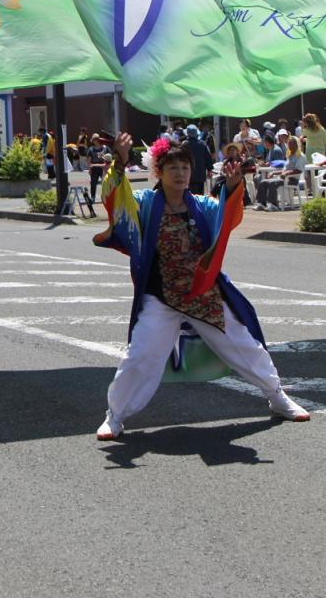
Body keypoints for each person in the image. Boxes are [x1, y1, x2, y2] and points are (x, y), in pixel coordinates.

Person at [93, 132, 309, 441]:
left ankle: (277, 396)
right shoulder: (145, 204)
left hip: (203, 293)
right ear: (159, 172)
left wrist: (233, 186)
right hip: (162, 295)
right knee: (140, 354)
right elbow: (117, 202)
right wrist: (120, 162)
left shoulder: (202, 205)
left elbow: (227, 217)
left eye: (185, 167)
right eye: (173, 168)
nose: (180, 174)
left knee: (244, 344)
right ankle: (115, 415)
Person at [254, 135, 306, 211]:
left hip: (292, 179)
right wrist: (274, 173)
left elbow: (298, 170)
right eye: (289, 144)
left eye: (292, 144)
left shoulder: (301, 156)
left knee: (272, 183)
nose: (290, 146)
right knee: (263, 182)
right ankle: (261, 203)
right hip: (283, 178)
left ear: (297, 144)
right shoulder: (290, 155)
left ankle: (273, 205)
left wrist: (286, 173)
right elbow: (284, 170)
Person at [184, 123, 213, 194]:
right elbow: (208, 158)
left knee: (190, 194)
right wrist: (210, 170)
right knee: (200, 195)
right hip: (201, 174)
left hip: (188, 174)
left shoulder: (184, 145)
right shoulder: (202, 144)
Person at [87, 133, 110, 203]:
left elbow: (110, 158)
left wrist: (108, 167)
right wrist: (89, 169)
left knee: (105, 183)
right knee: (93, 183)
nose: (94, 141)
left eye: (95, 139)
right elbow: (89, 160)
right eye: (94, 140)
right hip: (94, 168)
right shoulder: (91, 149)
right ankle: (93, 197)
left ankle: (106, 197)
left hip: (103, 168)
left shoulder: (105, 148)